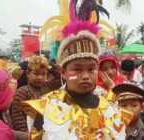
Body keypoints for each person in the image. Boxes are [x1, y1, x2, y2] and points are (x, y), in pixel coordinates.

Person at [20, 8, 133, 139]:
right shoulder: (48, 108)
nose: (85, 76)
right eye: (77, 69)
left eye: (91, 69)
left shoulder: (111, 111)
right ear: (63, 72)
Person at [10, 55, 62, 132]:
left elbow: (61, 78)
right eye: (36, 74)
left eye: (43, 74)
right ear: (28, 73)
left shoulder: (47, 87)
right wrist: (27, 136)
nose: (40, 77)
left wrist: (49, 67)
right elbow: (17, 118)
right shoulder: (23, 91)